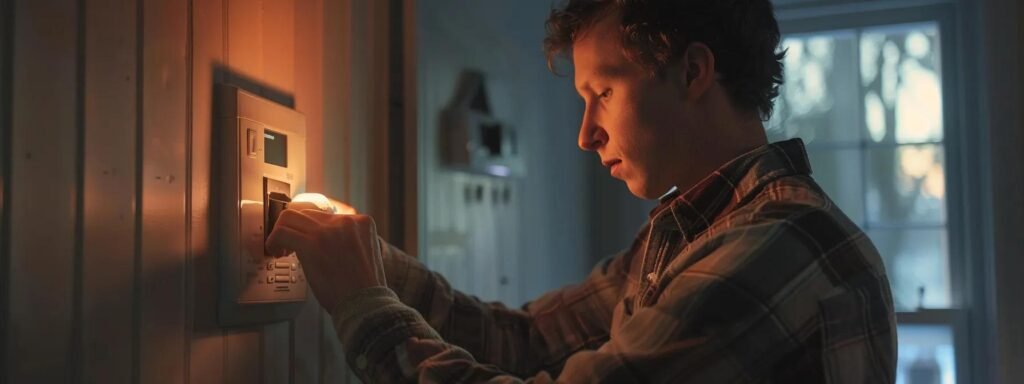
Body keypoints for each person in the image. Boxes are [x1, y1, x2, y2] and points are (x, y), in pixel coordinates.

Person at [267, 0, 898, 382]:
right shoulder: (690, 233)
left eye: (604, 93)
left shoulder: (780, 247)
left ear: (694, 71)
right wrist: (373, 263)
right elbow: (525, 340)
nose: (585, 134)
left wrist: (362, 302)